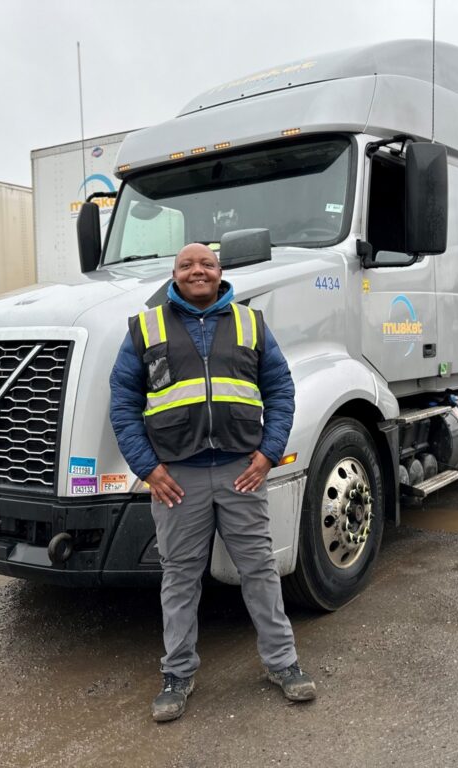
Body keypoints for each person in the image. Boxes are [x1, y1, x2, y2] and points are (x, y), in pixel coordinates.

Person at [110, 242, 316, 722]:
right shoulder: (145, 328)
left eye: (206, 264)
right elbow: (122, 401)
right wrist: (148, 468)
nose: (197, 271)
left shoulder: (250, 323)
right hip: (175, 478)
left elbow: (281, 389)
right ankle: (177, 674)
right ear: (174, 274)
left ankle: (283, 664)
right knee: (180, 578)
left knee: (260, 570)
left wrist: (267, 454)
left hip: (240, 471)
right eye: (187, 265)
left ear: (220, 272)